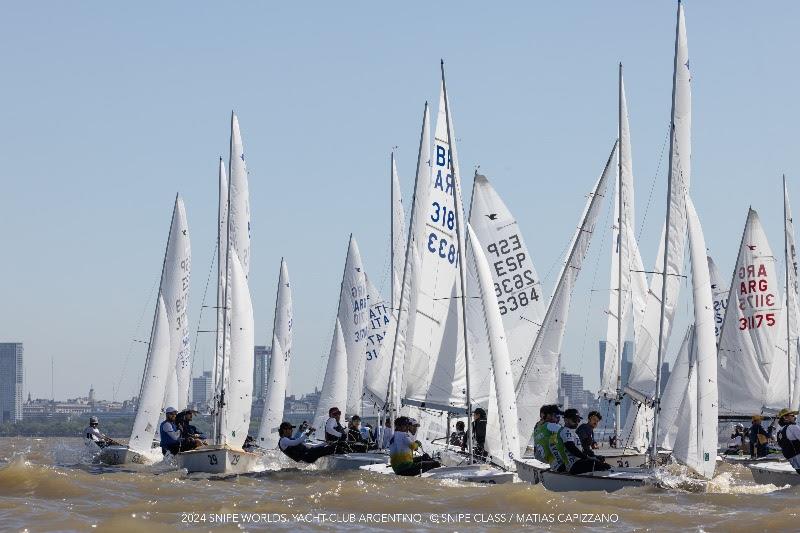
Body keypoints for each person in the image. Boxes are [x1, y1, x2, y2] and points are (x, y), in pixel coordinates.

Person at [552, 409, 610, 475]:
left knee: (602, 464)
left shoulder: (572, 432)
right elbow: (571, 448)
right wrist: (588, 457)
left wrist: (592, 456)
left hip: (578, 462)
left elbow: (580, 448)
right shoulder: (566, 431)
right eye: (574, 420)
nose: (577, 422)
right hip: (573, 465)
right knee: (602, 466)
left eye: (578, 420)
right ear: (566, 420)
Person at [775, 408, 800, 474]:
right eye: (792, 415)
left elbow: (780, 444)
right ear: (786, 417)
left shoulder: (779, 431)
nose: (794, 417)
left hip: (793, 461)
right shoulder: (793, 427)